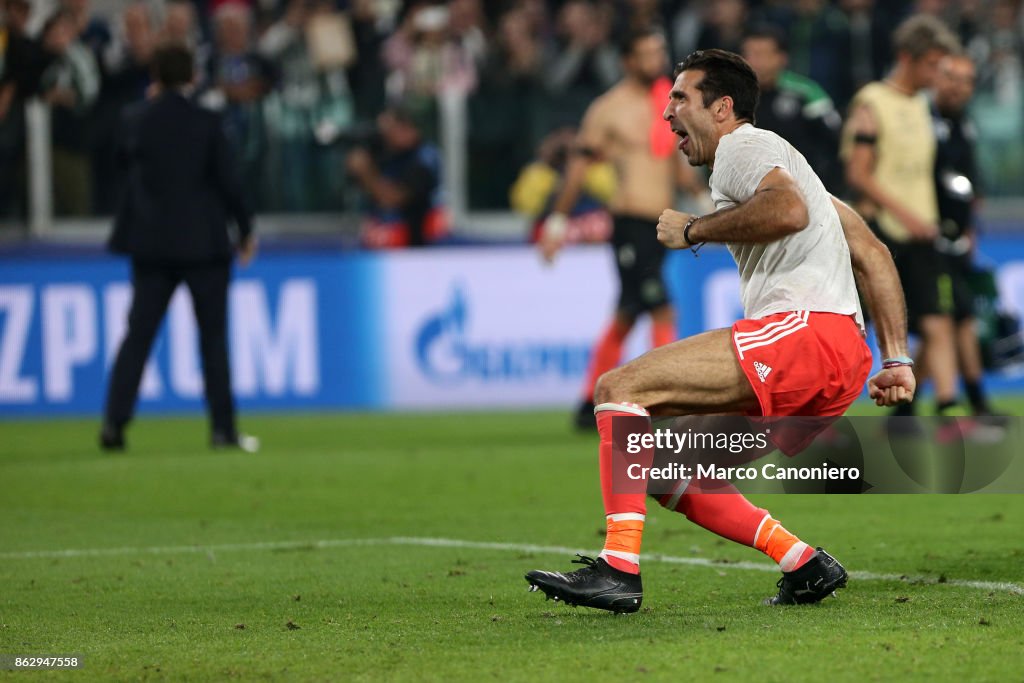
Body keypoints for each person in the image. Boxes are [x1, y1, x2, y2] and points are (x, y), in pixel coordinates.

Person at [525, 49, 915, 612]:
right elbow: (873, 251)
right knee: (666, 469)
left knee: (618, 389)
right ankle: (804, 563)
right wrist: (897, 359)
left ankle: (617, 569)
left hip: (802, 337)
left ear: (722, 108)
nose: (667, 113)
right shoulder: (791, 168)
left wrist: (695, 230)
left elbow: (787, 213)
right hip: (838, 366)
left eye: (681, 98)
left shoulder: (741, 145)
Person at [538, 26, 709, 430]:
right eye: (646, 53)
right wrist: (558, 221)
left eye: (658, 51)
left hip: (660, 224)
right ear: (627, 61)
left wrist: (705, 204)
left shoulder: (668, 102)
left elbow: (674, 164)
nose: (655, 60)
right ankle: (666, 401)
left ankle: (587, 404)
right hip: (630, 223)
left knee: (627, 312)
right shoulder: (608, 109)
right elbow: (578, 167)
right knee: (661, 306)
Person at [100, 42, 258, 453]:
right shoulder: (207, 121)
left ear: (154, 77)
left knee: (138, 336)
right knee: (213, 339)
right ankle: (223, 430)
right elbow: (230, 183)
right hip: (204, 246)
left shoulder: (135, 119)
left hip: (150, 244)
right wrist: (245, 231)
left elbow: (118, 168)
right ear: (193, 76)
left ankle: (114, 425)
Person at [841, 15, 960, 423]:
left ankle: (944, 412)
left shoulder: (924, 105)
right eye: (932, 64)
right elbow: (858, 173)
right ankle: (820, 418)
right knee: (852, 334)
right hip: (882, 234)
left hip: (924, 234)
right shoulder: (872, 102)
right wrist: (906, 215)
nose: (938, 73)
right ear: (907, 58)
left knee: (938, 325)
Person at [929, 52, 1003, 421]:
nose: (958, 86)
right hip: (924, 238)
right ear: (935, 78)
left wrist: (970, 228)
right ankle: (973, 405)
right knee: (952, 320)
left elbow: (970, 187)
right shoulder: (922, 121)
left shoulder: (965, 126)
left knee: (946, 322)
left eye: (966, 80)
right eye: (951, 77)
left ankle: (905, 412)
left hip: (955, 239)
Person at [740, 25, 843, 193]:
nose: (752, 61)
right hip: (749, 194)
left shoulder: (807, 92)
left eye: (761, 54)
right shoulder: (733, 98)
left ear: (782, 58)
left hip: (806, 191)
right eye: (748, 54)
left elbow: (835, 142)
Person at [346, 103, 447, 248]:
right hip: (382, 244)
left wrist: (366, 172)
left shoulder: (424, 159)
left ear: (406, 128)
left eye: (389, 130)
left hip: (417, 249)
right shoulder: (389, 155)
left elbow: (393, 199)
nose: (385, 136)